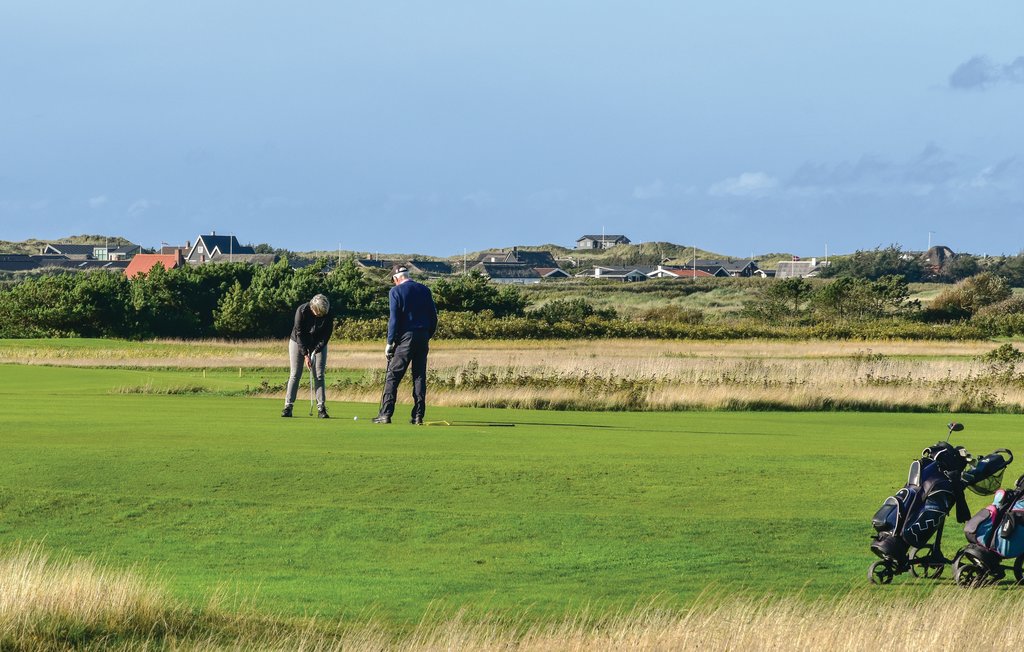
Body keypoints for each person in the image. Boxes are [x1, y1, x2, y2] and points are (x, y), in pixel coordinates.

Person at [373, 266, 438, 424]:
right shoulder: (425, 290)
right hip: (423, 336)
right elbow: (433, 317)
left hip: (406, 338)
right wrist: (427, 335)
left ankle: (386, 413)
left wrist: (390, 342)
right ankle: (418, 415)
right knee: (419, 376)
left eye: (393, 281)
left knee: (393, 376)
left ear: (397, 278)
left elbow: (394, 319)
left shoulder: (395, 291)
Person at [282, 293, 333, 418]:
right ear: (313, 308)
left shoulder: (328, 313)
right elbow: (299, 334)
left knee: (319, 375)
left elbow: (326, 335)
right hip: (298, 341)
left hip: (318, 342)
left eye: (323, 314)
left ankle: (321, 408)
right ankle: (288, 406)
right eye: (319, 313)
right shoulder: (302, 311)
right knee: (295, 374)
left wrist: (315, 351)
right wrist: (305, 355)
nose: (321, 316)